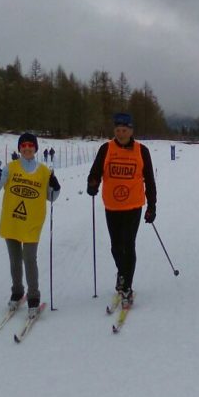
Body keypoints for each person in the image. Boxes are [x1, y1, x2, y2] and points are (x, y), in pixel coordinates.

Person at [86, 112, 157, 309]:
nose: (121, 133)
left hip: (133, 206)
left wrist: (152, 206)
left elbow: (149, 181)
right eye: (118, 130)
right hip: (112, 206)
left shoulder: (142, 151)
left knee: (128, 245)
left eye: (124, 130)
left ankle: (126, 287)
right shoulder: (106, 148)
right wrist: (92, 184)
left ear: (131, 130)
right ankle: (122, 274)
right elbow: (95, 172)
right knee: (115, 246)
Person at [0, 132, 60, 316]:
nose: (27, 148)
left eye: (30, 145)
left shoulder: (44, 171)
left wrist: (55, 186)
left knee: (29, 259)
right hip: (12, 220)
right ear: (20, 149)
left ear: (35, 149)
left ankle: (33, 295)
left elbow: (51, 197)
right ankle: (17, 291)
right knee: (14, 260)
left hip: (32, 222)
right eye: (23, 146)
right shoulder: (10, 167)